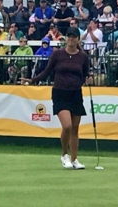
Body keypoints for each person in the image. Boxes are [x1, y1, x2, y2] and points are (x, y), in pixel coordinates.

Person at [21, 27, 92, 170]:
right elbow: (47, 71)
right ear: (66, 38)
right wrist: (32, 80)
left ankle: (74, 159)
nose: (71, 39)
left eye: (74, 37)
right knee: (67, 126)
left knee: (75, 129)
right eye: (69, 36)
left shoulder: (83, 57)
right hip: (60, 93)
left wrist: (89, 79)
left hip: (76, 93)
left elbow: (85, 74)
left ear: (78, 39)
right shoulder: (57, 54)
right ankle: (64, 155)